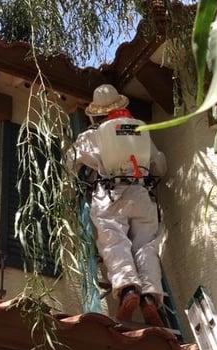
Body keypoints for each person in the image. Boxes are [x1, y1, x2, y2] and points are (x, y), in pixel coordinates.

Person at [67, 84, 167, 326]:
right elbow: (161, 166)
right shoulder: (141, 130)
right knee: (146, 245)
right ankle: (150, 298)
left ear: (96, 113)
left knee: (114, 240)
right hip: (142, 194)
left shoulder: (90, 136)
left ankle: (128, 290)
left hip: (109, 192)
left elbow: (71, 163)